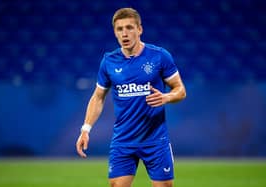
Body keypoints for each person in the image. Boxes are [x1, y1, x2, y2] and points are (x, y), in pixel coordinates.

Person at [76, 7, 186, 187]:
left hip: (155, 140)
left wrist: (166, 97)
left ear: (139, 29)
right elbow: (98, 97)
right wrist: (86, 129)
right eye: (120, 29)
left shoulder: (159, 56)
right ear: (115, 33)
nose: (125, 34)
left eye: (129, 28)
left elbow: (180, 90)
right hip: (124, 140)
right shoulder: (109, 61)